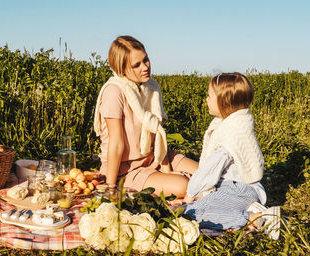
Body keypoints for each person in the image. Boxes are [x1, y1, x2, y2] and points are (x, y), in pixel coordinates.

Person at [93, 35, 198, 199]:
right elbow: (116, 143)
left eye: (146, 59)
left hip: (156, 155)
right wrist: (111, 187)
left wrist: (165, 167)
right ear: (121, 69)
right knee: (184, 185)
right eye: (136, 65)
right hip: (127, 169)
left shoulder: (151, 87)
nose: (145, 67)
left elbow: (157, 136)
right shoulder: (114, 91)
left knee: (206, 174)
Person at [181, 72, 281, 239]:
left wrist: (189, 196)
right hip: (241, 189)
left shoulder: (228, 135)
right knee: (201, 208)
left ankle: (257, 218)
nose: (206, 99)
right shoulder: (238, 125)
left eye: (209, 96)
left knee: (190, 213)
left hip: (237, 189)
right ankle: (247, 212)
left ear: (223, 102)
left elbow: (209, 170)